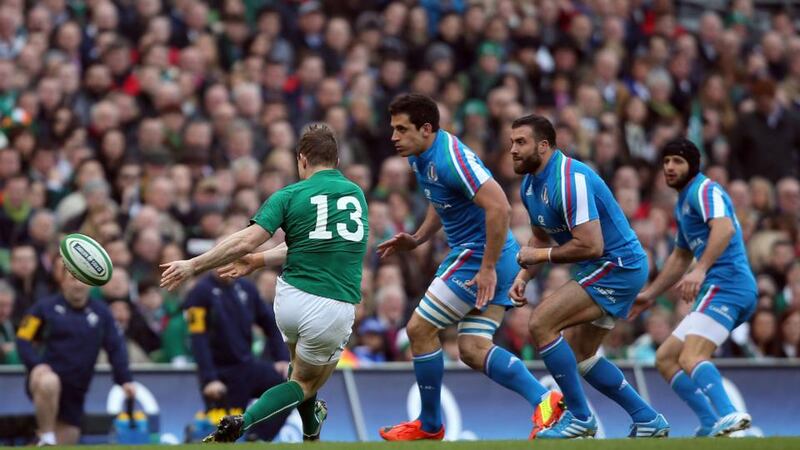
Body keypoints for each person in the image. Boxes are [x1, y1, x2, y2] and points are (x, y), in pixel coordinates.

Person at [160, 124, 367, 442]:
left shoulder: (290, 194)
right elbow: (317, 245)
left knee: (297, 373)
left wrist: (242, 261)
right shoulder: (355, 195)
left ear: (301, 160)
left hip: (289, 299)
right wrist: (194, 267)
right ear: (336, 160)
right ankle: (246, 420)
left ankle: (311, 434)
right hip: (331, 303)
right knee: (306, 384)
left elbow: (248, 241)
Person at [377, 94, 562, 441]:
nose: (394, 137)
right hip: (489, 255)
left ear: (427, 128)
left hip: (479, 255)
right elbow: (442, 199)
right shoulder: (421, 156)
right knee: (473, 348)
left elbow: (501, 208)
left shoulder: (450, 158)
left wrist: (488, 268)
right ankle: (545, 399)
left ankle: (430, 425)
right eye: (393, 129)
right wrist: (418, 238)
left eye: (402, 129)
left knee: (418, 329)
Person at [510, 114, 668, 439]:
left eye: (521, 142)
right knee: (581, 353)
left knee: (541, 323)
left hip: (617, 265)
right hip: (607, 268)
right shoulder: (529, 185)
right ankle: (648, 418)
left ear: (544, 145)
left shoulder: (570, 179)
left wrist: (539, 257)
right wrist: (524, 277)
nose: (513, 149)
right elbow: (540, 237)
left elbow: (592, 245)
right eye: (512, 142)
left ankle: (580, 418)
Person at [631, 138, 755, 437]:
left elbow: (724, 228)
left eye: (677, 161)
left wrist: (699, 270)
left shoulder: (704, 189)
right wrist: (650, 295)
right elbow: (680, 256)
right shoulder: (684, 202)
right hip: (720, 287)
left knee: (690, 356)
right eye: (666, 162)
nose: (669, 167)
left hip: (728, 285)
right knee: (666, 358)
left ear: (693, 165)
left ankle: (729, 415)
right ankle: (710, 422)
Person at [16, 259, 135, 446]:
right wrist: (35, 364)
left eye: (83, 279)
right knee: (49, 383)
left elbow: (115, 347)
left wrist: (125, 379)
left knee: (65, 442)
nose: (78, 284)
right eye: (72, 279)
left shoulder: (102, 312)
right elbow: (23, 338)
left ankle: (43, 440)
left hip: (76, 392)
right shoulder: (43, 308)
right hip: (45, 380)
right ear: (63, 281)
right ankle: (46, 435)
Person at [183, 268, 291, 441]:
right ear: (214, 262)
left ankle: (257, 438)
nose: (226, 266)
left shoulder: (247, 288)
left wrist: (282, 359)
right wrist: (209, 378)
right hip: (221, 373)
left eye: (232, 260)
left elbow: (270, 323)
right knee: (224, 434)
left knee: (288, 390)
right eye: (221, 261)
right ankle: (193, 437)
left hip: (247, 366)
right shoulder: (199, 292)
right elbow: (198, 338)